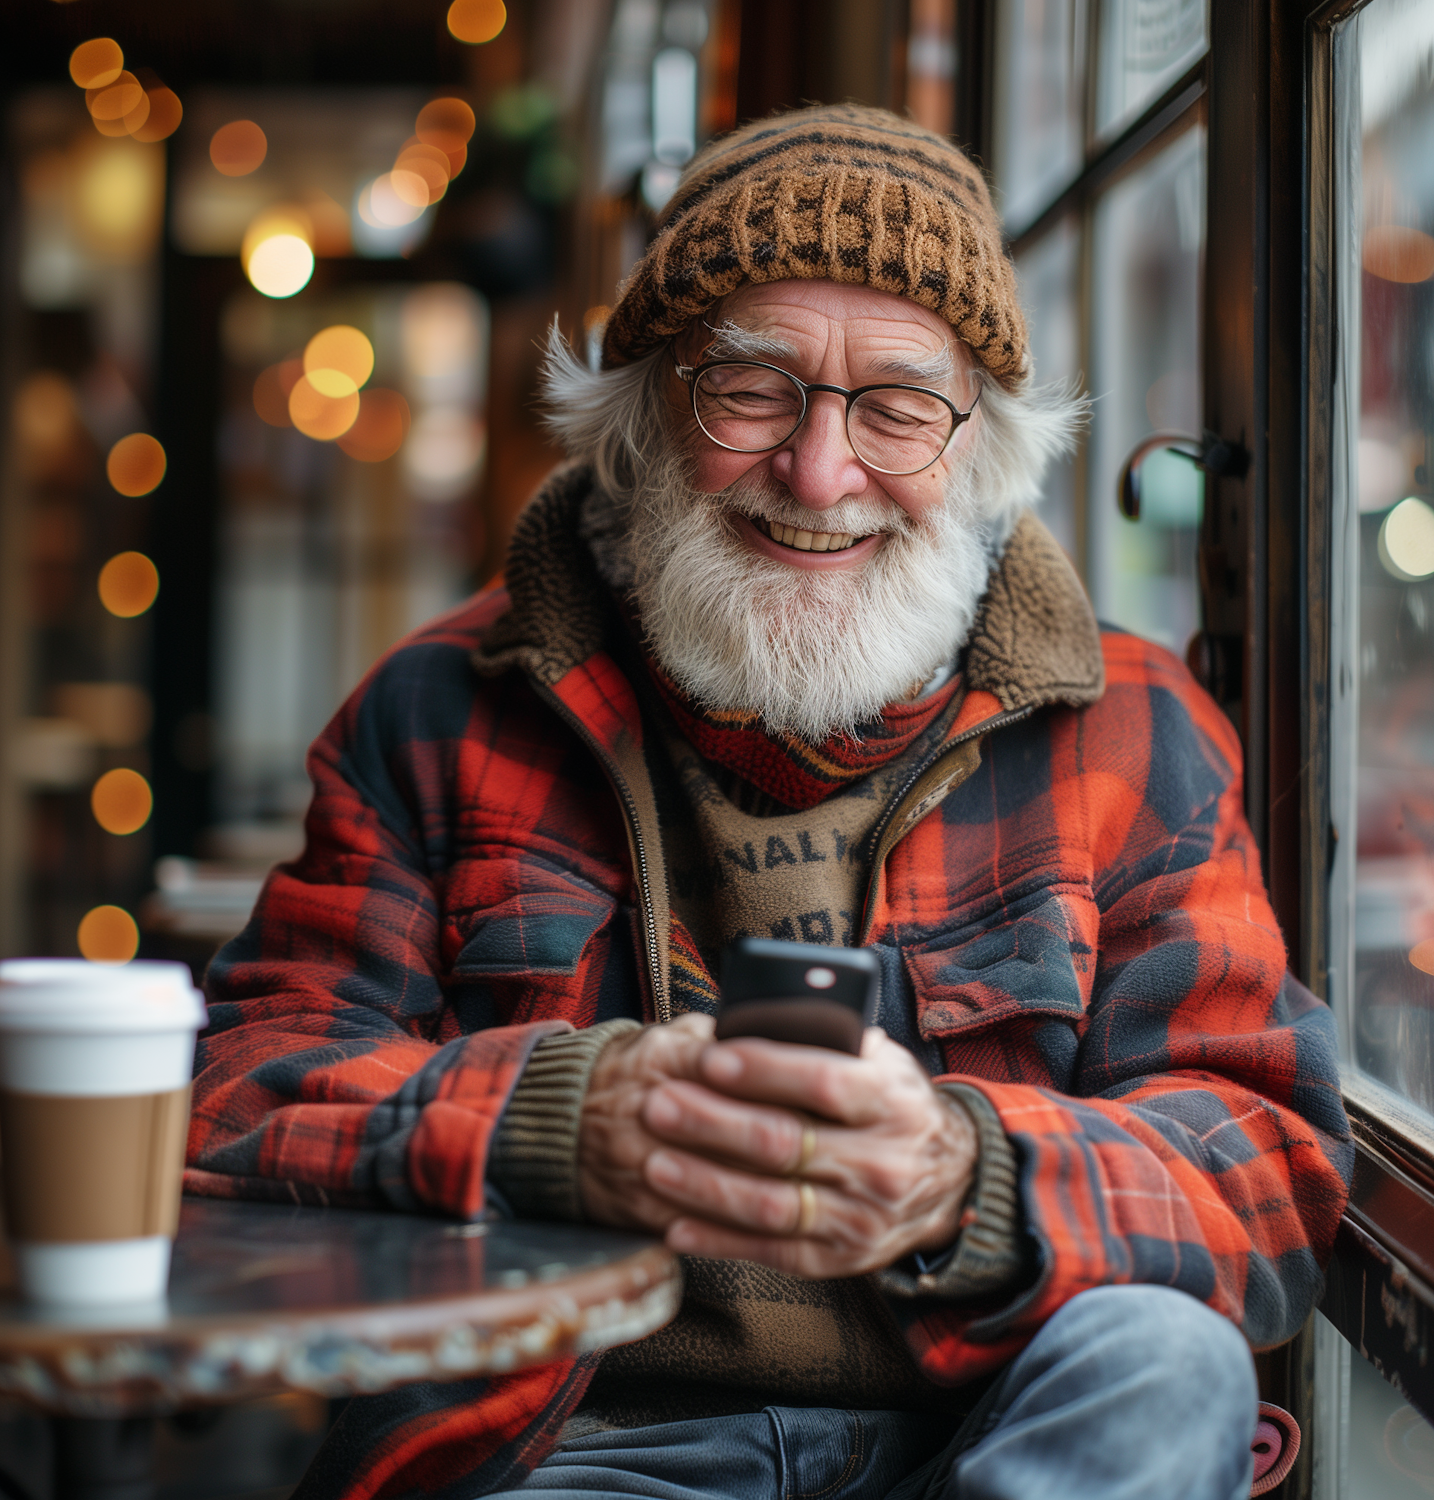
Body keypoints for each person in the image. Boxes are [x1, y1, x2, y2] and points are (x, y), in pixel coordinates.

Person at [190, 105, 1353, 1500]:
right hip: (588, 1447)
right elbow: (233, 1097)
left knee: (1170, 1369)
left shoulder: (1134, 723)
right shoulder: (438, 706)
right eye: (750, 388)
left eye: (898, 406)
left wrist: (958, 1172)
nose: (818, 472)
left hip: (991, 1433)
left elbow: (1269, 1167)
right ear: (648, 410)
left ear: (976, 445)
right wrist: (559, 1120)